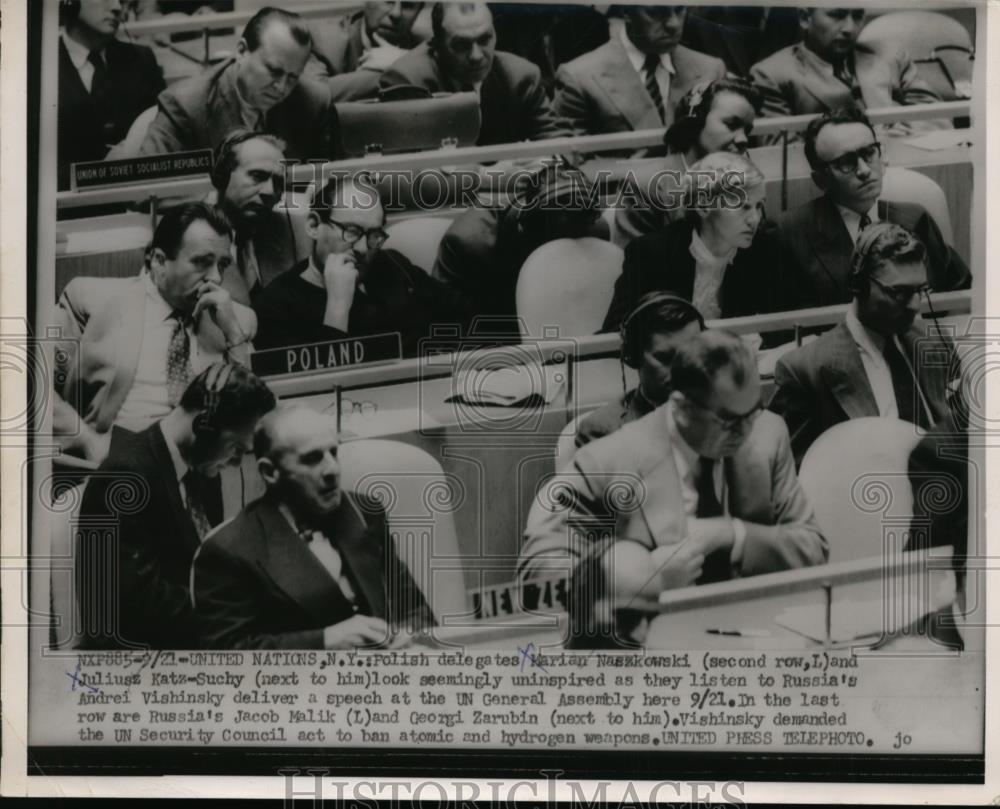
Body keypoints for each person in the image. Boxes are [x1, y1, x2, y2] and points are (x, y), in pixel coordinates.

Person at [520, 329, 827, 647]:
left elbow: (813, 549)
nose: (747, 431)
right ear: (681, 407)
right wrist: (643, 577)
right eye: (730, 421)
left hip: (756, 640)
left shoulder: (766, 433)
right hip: (646, 652)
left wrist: (732, 534)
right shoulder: (605, 460)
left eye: (753, 412)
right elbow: (535, 581)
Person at [192, 405, 433, 649]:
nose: (332, 469)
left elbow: (414, 608)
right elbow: (227, 656)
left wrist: (408, 633)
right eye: (312, 458)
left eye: (333, 453)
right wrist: (324, 641)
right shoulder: (229, 550)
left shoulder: (363, 511)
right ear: (270, 472)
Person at [76, 363, 276, 649]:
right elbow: (136, 603)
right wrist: (234, 612)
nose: (235, 463)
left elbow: (204, 566)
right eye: (237, 449)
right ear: (203, 425)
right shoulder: (125, 477)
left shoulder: (202, 467)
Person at [54, 203, 256, 464]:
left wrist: (233, 336)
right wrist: (86, 440)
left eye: (223, 265)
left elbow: (252, 413)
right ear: (159, 261)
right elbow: (33, 387)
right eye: (202, 263)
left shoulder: (235, 320)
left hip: (197, 468)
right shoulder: (91, 299)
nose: (216, 278)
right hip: (112, 463)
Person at [769, 223, 955, 466]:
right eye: (899, 293)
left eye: (920, 290)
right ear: (859, 286)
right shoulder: (804, 372)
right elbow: (795, 475)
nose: (915, 305)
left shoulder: (936, 342)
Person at [772, 107, 970, 311]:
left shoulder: (915, 218)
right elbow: (778, 329)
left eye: (868, 154)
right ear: (821, 180)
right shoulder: (788, 233)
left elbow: (961, 291)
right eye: (846, 163)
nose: (865, 171)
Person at [253, 173, 468, 356]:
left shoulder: (391, 264)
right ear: (313, 226)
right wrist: (337, 307)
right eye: (352, 231)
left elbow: (463, 313)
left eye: (374, 235)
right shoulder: (277, 304)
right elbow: (316, 390)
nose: (364, 248)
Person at [603, 151, 779, 332]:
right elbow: (617, 331)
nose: (755, 219)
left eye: (759, 206)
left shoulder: (765, 249)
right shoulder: (652, 253)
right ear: (703, 206)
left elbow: (786, 326)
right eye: (743, 206)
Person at [432, 160, 606, 340]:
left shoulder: (593, 230)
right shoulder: (469, 243)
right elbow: (447, 326)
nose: (568, 242)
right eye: (559, 235)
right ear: (529, 224)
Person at [138, 7, 338, 160]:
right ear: (242, 51)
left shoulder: (315, 101)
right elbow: (145, 191)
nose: (282, 87)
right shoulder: (185, 104)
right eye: (274, 71)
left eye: (293, 77)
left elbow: (332, 179)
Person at [378, 2, 570, 146]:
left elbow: (557, 142)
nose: (477, 56)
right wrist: (486, 177)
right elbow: (408, 172)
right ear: (436, 45)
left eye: (485, 39)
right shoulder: (408, 81)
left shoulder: (522, 76)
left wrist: (537, 162)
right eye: (461, 45)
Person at [612, 77, 761, 248]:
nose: (743, 139)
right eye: (731, 124)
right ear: (696, 122)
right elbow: (635, 266)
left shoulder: (744, 182)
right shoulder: (644, 185)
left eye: (747, 131)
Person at [750, 8, 942, 137]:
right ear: (804, 18)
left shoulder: (891, 55)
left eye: (857, 16)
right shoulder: (771, 74)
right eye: (837, 15)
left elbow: (938, 119)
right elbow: (782, 155)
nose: (849, 28)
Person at [553, 5, 726, 138]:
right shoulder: (579, 77)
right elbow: (570, 166)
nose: (674, 24)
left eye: (680, 10)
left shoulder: (711, 70)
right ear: (627, 12)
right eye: (656, 12)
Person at [58, 0, 165, 189]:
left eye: (122, 0)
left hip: (139, 201)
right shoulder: (36, 68)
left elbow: (165, 138)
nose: (117, 7)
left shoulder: (142, 61)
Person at [576, 293, 704, 449]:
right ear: (633, 356)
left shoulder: (723, 414)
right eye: (664, 358)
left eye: (690, 355)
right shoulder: (601, 430)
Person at [210, 129, 307, 305]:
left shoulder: (297, 233)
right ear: (222, 176)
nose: (269, 192)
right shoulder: (190, 234)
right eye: (257, 176)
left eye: (278, 183)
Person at [309, 1, 426, 100]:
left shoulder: (427, 43)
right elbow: (311, 97)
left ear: (419, 10)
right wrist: (400, 67)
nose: (396, 13)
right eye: (388, 1)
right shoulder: (323, 40)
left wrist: (401, 58)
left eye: (408, 5)